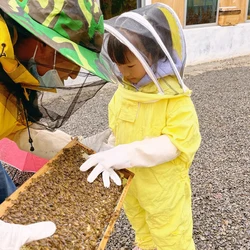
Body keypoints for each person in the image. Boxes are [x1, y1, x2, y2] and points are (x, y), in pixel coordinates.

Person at [80, 3, 201, 250]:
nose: (125, 74)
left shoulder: (176, 100)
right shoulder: (123, 95)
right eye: (119, 66)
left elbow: (175, 144)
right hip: (133, 185)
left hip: (164, 189)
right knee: (141, 226)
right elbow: (118, 131)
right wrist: (108, 151)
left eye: (130, 66)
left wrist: (125, 153)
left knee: (171, 236)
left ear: (154, 54)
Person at [0, 0, 105, 248]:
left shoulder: (14, 62)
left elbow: (20, 129)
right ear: (47, 45)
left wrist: (78, 150)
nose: (74, 74)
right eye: (75, 60)